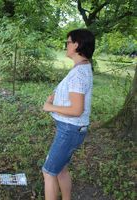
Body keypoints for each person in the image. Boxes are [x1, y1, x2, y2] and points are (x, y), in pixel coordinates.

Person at [42, 29, 95, 200]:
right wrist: (56, 96)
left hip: (69, 130)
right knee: (61, 169)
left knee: (48, 172)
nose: (66, 45)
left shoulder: (79, 73)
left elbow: (76, 110)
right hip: (72, 129)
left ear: (77, 45)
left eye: (68, 42)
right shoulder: (82, 67)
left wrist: (50, 107)